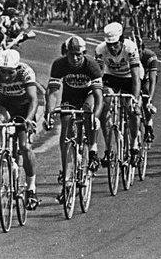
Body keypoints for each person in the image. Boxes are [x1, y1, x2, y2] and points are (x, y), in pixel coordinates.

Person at [0, 50, 40, 210]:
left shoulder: (26, 71)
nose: (5, 76)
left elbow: (33, 99)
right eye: (2, 72)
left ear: (17, 68)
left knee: (25, 147)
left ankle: (31, 188)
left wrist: (29, 119)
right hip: (5, 104)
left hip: (25, 107)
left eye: (9, 72)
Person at [45, 36, 103, 203]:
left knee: (88, 113)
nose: (75, 58)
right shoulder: (59, 64)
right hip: (70, 98)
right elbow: (54, 91)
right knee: (66, 131)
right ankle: (66, 176)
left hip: (89, 95)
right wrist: (49, 113)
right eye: (72, 54)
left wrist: (96, 118)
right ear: (66, 53)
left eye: (79, 54)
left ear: (84, 53)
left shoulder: (91, 65)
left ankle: (92, 148)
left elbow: (98, 96)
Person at [95, 22, 143, 166]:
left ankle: (134, 146)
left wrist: (134, 99)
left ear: (121, 40)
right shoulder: (100, 49)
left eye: (115, 44)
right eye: (109, 45)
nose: (112, 48)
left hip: (130, 77)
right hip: (112, 77)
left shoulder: (130, 47)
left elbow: (136, 78)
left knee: (132, 110)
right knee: (104, 106)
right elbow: (98, 76)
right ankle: (109, 151)